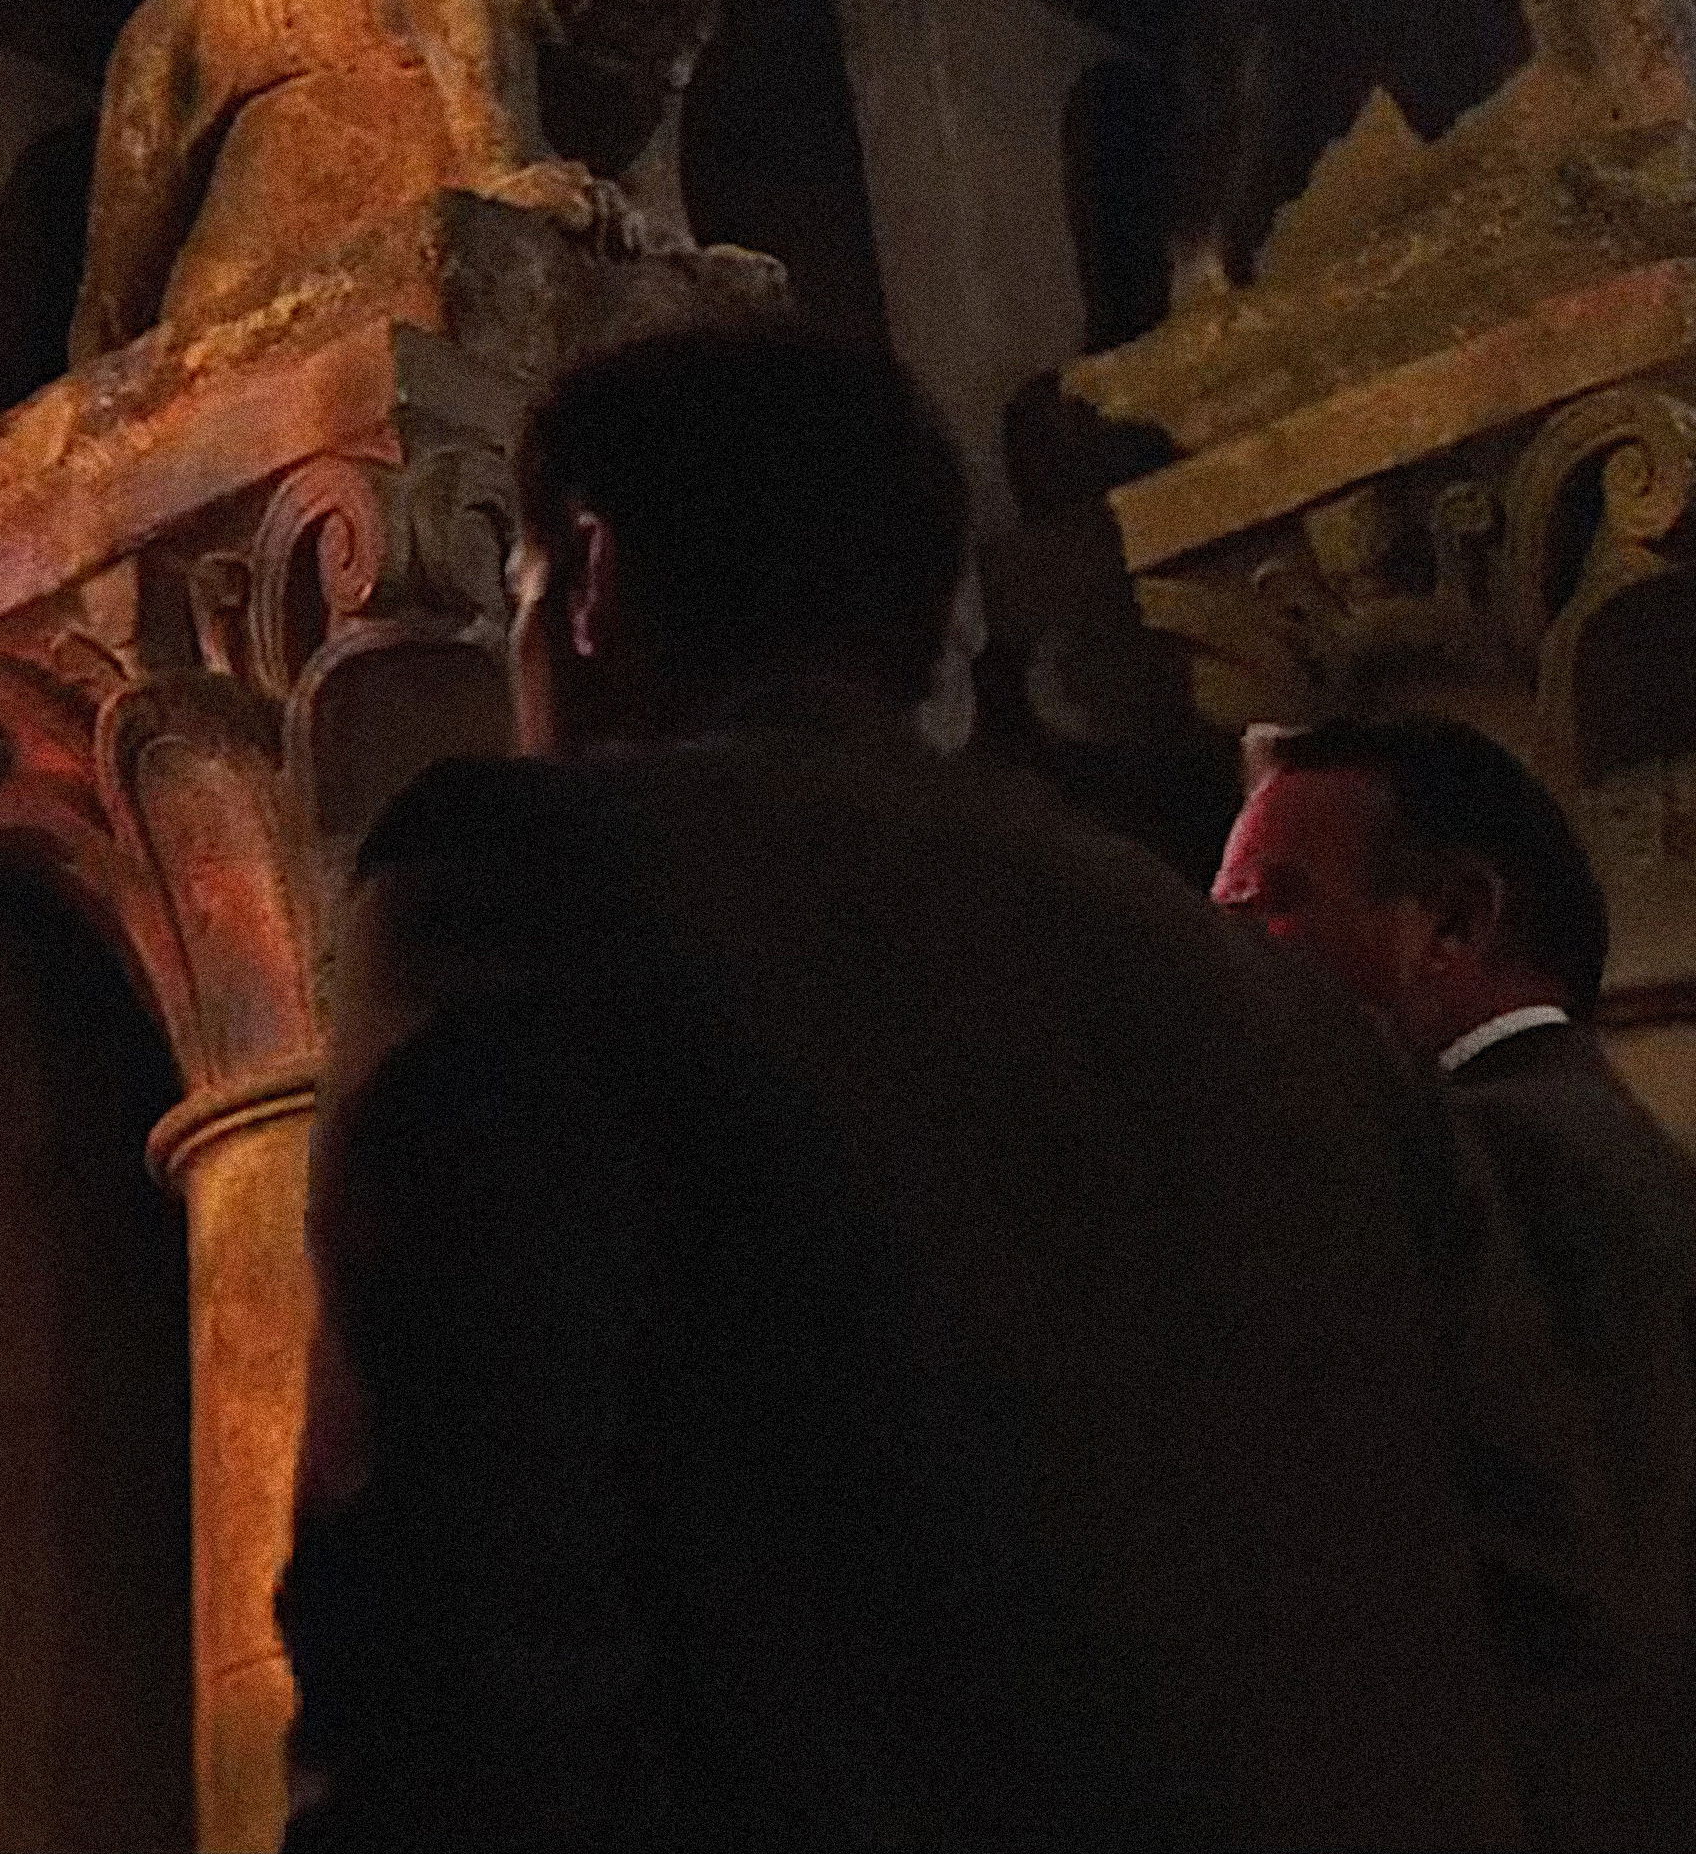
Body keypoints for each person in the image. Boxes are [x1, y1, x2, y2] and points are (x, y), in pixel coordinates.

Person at [282, 328, 1526, 1849]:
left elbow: (447, 1623)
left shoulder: (535, 885)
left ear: (592, 575)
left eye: (524, 595)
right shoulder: (1303, 1029)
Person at [1219, 715, 1696, 1849]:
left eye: (1271, 905)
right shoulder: (1611, 1147)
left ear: (1453, 922)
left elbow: (1555, 1610)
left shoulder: (1490, 1158)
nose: (1227, 958)